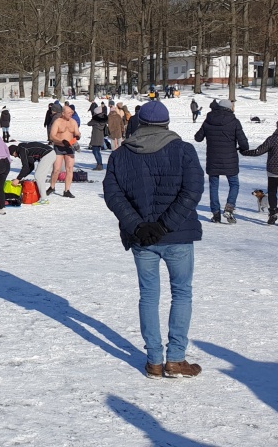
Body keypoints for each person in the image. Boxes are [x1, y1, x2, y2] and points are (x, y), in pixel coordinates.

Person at [103, 100, 204, 379]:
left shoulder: (121, 155)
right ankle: (174, 359)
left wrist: (142, 227)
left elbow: (114, 196)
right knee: (181, 293)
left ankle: (155, 361)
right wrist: (162, 226)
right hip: (176, 236)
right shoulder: (184, 151)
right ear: (166, 123)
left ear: (140, 124)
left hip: (144, 238)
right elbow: (193, 191)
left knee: (149, 295)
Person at [195, 99, 248, 223]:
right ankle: (229, 207)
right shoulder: (234, 122)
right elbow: (244, 143)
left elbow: (198, 138)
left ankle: (216, 213)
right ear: (229, 108)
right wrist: (242, 148)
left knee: (214, 186)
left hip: (213, 159)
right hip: (230, 159)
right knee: (234, 183)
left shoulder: (208, 120)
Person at [242, 115, 278, 227]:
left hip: (274, 170)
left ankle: (273, 214)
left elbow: (259, 151)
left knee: (272, 193)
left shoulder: (272, 139)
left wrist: (245, 152)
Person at [48, 104, 81, 198]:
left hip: (70, 147)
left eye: (71, 112)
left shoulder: (73, 122)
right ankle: (52, 186)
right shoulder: (57, 121)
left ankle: (67, 190)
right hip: (59, 147)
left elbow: (77, 133)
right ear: (63, 113)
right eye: (69, 113)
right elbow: (52, 136)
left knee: (70, 169)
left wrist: (78, 136)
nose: (71, 114)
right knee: (56, 169)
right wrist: (61, 141)